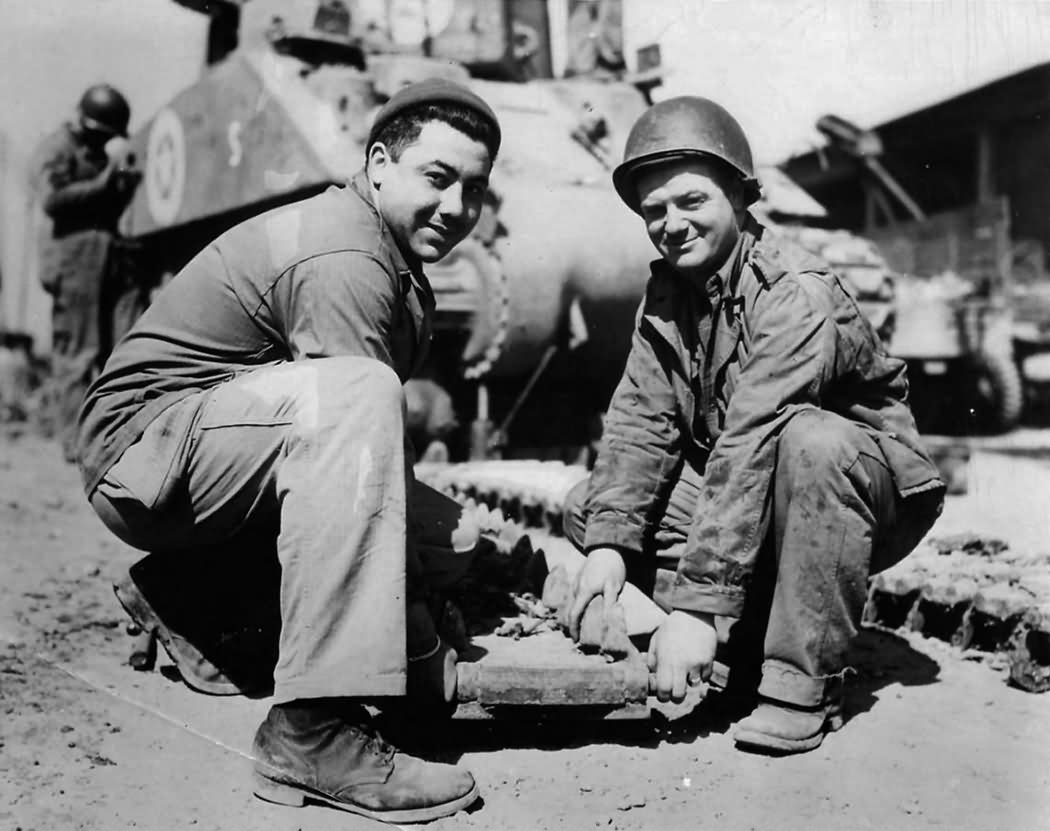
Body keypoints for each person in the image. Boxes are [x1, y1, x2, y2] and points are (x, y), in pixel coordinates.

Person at [77, 79, 500, 823]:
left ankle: (188, 597)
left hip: (200, 448)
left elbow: (362, 481)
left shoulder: (380, 244)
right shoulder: (345, 253)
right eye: (438, 178)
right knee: (361, 396)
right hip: (143, 449)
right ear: (378, 164)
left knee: (455, 533)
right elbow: (357, 450)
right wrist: (426, 650)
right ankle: (313, 729)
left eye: (474, 188)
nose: (457, 208)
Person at [562, 96, 945, 754]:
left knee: (811, 440)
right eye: (654, 211)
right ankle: (751, 632)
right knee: (591, 509)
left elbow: (755, 436)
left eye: (690, 202)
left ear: (741, 198)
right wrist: (608, 549)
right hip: (763, 490)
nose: (671, 224)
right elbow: (639, 421)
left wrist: (695, 608)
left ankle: (800, 681)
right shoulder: (668, 296)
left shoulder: (795, 289)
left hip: (857, 492)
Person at [34, 83, 145, 462]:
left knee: (119, 349)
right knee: (78, 354)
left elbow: (108, 205)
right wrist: (104, 182)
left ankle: (111, 436)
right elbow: (53, 201)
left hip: (109, 257)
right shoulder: (57, 148)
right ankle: (74, 443)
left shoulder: (97, 152)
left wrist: (122, 188)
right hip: (75, 261)